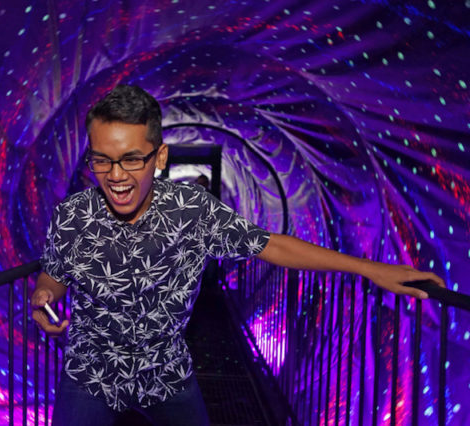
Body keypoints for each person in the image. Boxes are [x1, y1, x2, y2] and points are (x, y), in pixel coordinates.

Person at [31, 85, 444, 426]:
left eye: (131, 159)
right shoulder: (72, 215)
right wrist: (44, 296)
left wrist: (372, 270)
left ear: (159, 158)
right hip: (88, 377)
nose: (116, 175)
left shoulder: (192, 210)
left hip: (166, 376)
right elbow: (54, 275)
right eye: (102, 160)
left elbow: (274, 244)